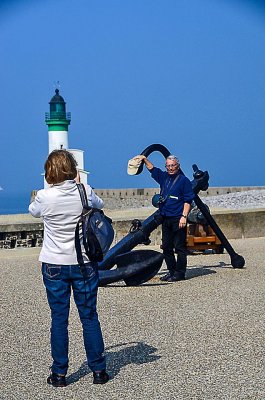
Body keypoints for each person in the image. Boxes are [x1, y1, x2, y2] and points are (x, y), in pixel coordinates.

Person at [29, 150, 109, 387]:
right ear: (73, 169)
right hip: (84, 263)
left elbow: (33, 211)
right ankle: (99, 371)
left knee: (59, 319)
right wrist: (79, 186)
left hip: (54, 264)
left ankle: (60, 374)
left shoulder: (45, 196)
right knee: (89, 317)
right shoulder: (85, 191)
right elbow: (101, 205)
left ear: (49, 171)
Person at [133, 154, 194, 282]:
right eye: (168, 166)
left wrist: (184, 216)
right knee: (166, 247)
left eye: (173, 166)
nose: (170, 168)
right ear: (166, 166)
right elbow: (153, 170)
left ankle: (180, 273)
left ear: (178, 166)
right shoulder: (164, 177)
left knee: (180, 247)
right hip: (165, 217)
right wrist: (144, 159)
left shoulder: (184, 181)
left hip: (178, 218)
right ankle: (171, 272)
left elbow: (188, 200)